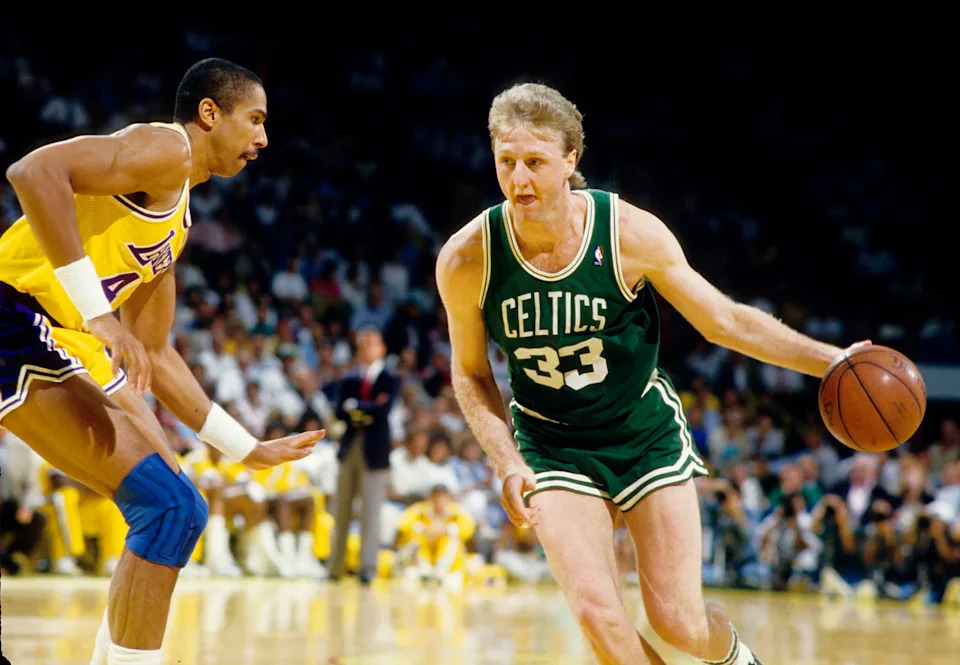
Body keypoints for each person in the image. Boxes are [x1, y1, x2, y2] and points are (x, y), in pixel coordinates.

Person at [435, 82, 868, 665]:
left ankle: (739, 660)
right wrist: (507, 460)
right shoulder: (467, 259)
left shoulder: (629, 233)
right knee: (599, 617)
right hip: (551, 443)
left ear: (571, 161)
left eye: (535, 162)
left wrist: (833, 360)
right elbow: (470, 373)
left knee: (681, 624)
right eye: (506, 162)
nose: (519, 180)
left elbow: (724, 321)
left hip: (640, 432)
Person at [1, 58, 324, 665]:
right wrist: (96, 311)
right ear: (210, 114)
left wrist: (246, 448)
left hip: (46, 334)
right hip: (14, 316)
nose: (263, 138)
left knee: (176, 507)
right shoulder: (167, 148)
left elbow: (157, 355)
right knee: (170, 506)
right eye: (253, 120)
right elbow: (34, 170)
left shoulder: (174, 225)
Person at [328, 326, 400, 583]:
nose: (367, 348)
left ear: (382, 348)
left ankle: (367, 568)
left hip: (375, 451)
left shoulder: (390, 378)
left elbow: (383, 410)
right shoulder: (348, 379)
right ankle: (334, 567)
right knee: (341, 511)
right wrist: (365, 410)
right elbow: (338, 412)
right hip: (349, 448)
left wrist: (355, 408)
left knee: (371, 512)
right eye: (363, 344)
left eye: (372, 343)